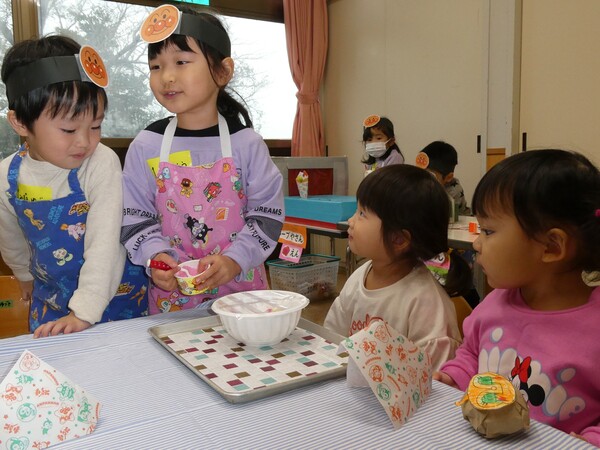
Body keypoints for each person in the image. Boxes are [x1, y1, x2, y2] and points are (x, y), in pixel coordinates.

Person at [121, 5, 284, 314]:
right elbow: (135, 218)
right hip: (172, 302)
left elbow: (267, 216)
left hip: (242, 297)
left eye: (181, 62)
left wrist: (234, 260)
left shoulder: (247, 144)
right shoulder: (146, 145)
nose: (167, 76)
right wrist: (157, 258)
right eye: (156, 66)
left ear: (222, 71)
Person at [435, 149, 600, 446]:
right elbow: (470, 355)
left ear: (551, 247)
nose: (477, 243)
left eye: (488, 231)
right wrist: (453, 377)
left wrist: (591, 439)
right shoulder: (494, 303)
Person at [0, 36, 148, 338]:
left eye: (95, 126)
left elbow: (106, 243)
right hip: (51, 300)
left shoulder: (100, 162)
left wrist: (84, 311)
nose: (85, 141)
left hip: (115, 298)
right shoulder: (6, 176)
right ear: (20, 123)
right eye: (69, 129)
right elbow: (10, 237)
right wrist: (24, 275)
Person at [324, 164, 469, 371]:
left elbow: (434, 380)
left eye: (362, 213)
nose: (351, 221)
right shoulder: (359, 276)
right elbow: (331, 338)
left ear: (399, 239)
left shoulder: (426, 304)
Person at [417, 140, 471, 215]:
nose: (424, 180)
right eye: (420, 173)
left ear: (448, 177)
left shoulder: (453, 191)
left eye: (431, 176)